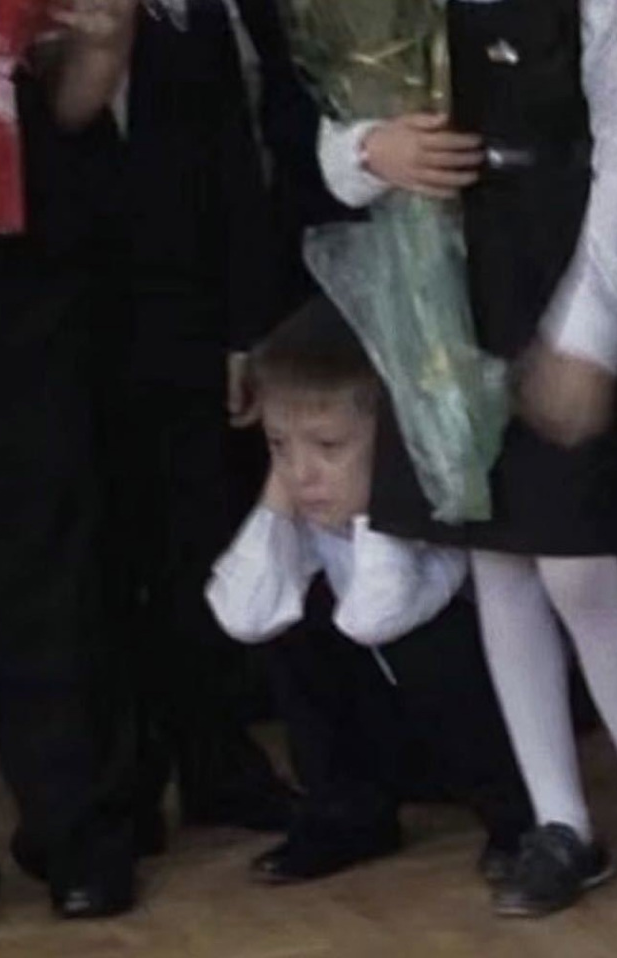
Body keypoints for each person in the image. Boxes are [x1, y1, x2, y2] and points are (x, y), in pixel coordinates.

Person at [315, 0, 617, 919]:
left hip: (560, 276)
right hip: (441, 280)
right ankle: (559, 820)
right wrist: (371, 150)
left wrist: (589, 332)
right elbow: (338, 126)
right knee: (498, 566)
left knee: (579, 567)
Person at [0, 0, 138, 941]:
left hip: (31, 281)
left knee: (49, 567)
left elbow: (73, 107)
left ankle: (76, 834)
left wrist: (104, 39)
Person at [206, 296, 534, 885]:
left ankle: (516, 818)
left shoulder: (437, 517)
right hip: (395, 732)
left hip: (480, 731)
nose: (302, 472)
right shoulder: (306, 497)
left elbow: (377, 617)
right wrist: (276, 497)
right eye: (279, 445)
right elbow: (242, 614)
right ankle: (347, 813)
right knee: (287, 609)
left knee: (426, 638)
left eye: (328, 447)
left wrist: (384, 494)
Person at [102, 0, 325, 849]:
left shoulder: (192, 13)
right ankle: (115, 788)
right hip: (58, 321)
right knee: (91, 561)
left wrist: (242, 331)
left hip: (186, 315)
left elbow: (233, 163)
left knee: (195, 540)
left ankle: (217, 762)